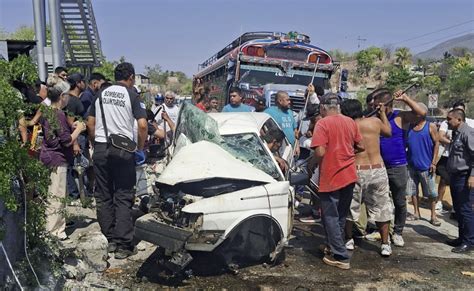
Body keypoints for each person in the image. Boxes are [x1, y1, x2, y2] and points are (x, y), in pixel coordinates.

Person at [87, 62, 147, 259]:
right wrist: (140, 146)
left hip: (101, 148)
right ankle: (124, 244)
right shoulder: (131, 94)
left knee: (104, 194)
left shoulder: (100, 94)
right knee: (123, 194)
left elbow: (90, 123)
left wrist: (95, 143)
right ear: (130, 77)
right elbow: (143, 124)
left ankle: (110, 239)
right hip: (122, 149)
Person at [310, 93, 364, 270]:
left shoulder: (323, 123)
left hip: (332, 175)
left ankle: (341, 256)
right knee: (340, 215)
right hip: (349, 175)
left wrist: (310, 165)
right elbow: (361, 146)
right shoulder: (350, 122)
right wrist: (346, 154)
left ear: (323, 108)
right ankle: (332, 246)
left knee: (330, 216)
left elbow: (319, 152)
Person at [374, 88, 427, 247]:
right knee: (380, 201)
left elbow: (421, 114)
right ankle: (380, 229)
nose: (376, 108)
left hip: (398, 166)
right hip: (380, 165)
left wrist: (405, 99)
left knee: (399, 201)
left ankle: (398, 232)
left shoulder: (399, 116)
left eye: (378, 105)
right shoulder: (374, 118)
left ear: (387, 105)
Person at [340, 99, 394, 256]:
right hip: (377, 169)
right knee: (382, 207)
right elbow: (388, 132)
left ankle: (348, 239)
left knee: (351, 206)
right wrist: (383, 114)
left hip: (357, 169)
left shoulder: (348, 127)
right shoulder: (374, 122)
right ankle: (385, 244)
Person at [39, 75, 86, 240]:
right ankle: (54, 231)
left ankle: (54, 227)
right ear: (62, 97)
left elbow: (58, 133)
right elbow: (66, 140)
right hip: (57, 158)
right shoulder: (58, 113)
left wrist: (70, 126)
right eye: (66, 95)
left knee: (52, 195)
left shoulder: (48, 111)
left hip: (48, 156)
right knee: (57, 196)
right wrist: (79, 128)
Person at [406, 103, 440, 226]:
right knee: (413, 191)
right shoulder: (409, 126)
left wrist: (433, 162)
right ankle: (416, 212)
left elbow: (437, 143)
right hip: (411, 166)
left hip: (426, 166)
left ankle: (433, 215)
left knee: (431, 193)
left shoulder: (430, 126)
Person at [445, 109, 474, 253]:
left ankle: (469, 242)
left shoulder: (467, 133)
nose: (447, 121)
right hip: (456, 176)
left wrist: (472, 176)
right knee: (459, 210)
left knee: (465, 210)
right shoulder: (456, 133)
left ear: (459, 120)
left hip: (465, 176)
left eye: (449, 119)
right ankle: (462, 238)